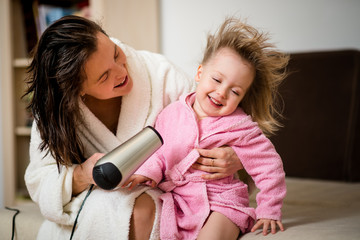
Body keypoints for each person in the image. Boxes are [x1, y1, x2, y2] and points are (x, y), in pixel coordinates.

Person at [23, 15, 244, 240]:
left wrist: (236, 156)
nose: (121, 72)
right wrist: (82, 175)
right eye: (104, 76)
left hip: (170, 195)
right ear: (77, 90)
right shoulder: (54, 110)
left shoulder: (162, 75)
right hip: (95, 199)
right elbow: (42, 181)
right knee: (112, 208)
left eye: (116, 54)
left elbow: (225, 127)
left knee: (140, 210)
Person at [124, 18, 289, 240]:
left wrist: (269, 209)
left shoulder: (240, 126)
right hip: (180, 198)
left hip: (224, 201)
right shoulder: (172, 113)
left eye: (235, 91)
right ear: (200, 73)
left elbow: (269, 166)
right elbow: (161, 154)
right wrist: (147, 173)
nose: (222, 92)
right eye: (217, 79)